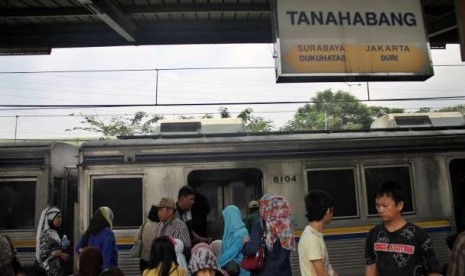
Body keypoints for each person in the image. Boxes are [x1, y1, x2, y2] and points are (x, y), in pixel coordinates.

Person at [365, 181, 441, 276]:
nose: (380, 210)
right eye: (377, 205)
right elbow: (371, 266)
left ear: (400, 205)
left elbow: (433, 269)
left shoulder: (419, 235)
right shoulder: (373, 234)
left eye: (385, 206)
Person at [242, 194, 295, 276]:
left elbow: (251, 250)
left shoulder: (261, 224)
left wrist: (245, 243)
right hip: (285, 272)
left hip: (265, 272)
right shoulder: (287, 225)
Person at [298, 190, 337, 276]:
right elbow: (322, 273)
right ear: (327, 210)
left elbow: (327, 267)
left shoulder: (314, 235)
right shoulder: (311, 238)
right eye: (332, 210)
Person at [36, 206, 70, 275]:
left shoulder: (53, 232)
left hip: (57, 269)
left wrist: (63, 245)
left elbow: (53, 248)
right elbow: (43, 255)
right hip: (49, 271)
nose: (60, 219)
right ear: (51, 219)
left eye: (61, 217)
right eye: (58, 217)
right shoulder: (46, 235)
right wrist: (59, 254)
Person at [217, 205, 250, 276]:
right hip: (230, 269)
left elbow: (231, 252)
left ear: (230, 217)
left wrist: (215, 263)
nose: (223, 220)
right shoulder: (229, 232)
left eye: (225, 218)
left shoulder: (241, 232)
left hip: (241, 270)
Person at [135, 205, 160, 272]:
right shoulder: (160, 227)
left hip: (143, 259)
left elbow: (136, 240)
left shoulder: (143, 226)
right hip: (155, 260)